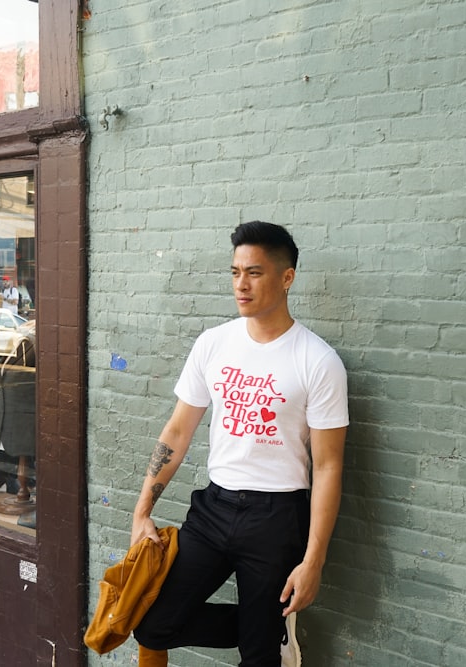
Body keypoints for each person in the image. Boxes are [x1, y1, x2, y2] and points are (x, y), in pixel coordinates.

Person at [130, 221, 349, 667]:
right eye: (234, 273)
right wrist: (141, 512)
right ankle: (269, 627)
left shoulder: (319, 361)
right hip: (213, 509)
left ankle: (265, 633)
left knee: (257, 657)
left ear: (287, 278)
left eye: (254, 272)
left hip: (277, 518)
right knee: (152, 623)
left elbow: (328, 467)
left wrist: (314, 561)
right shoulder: (214, 344)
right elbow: (176, 432)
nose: (240, 285)